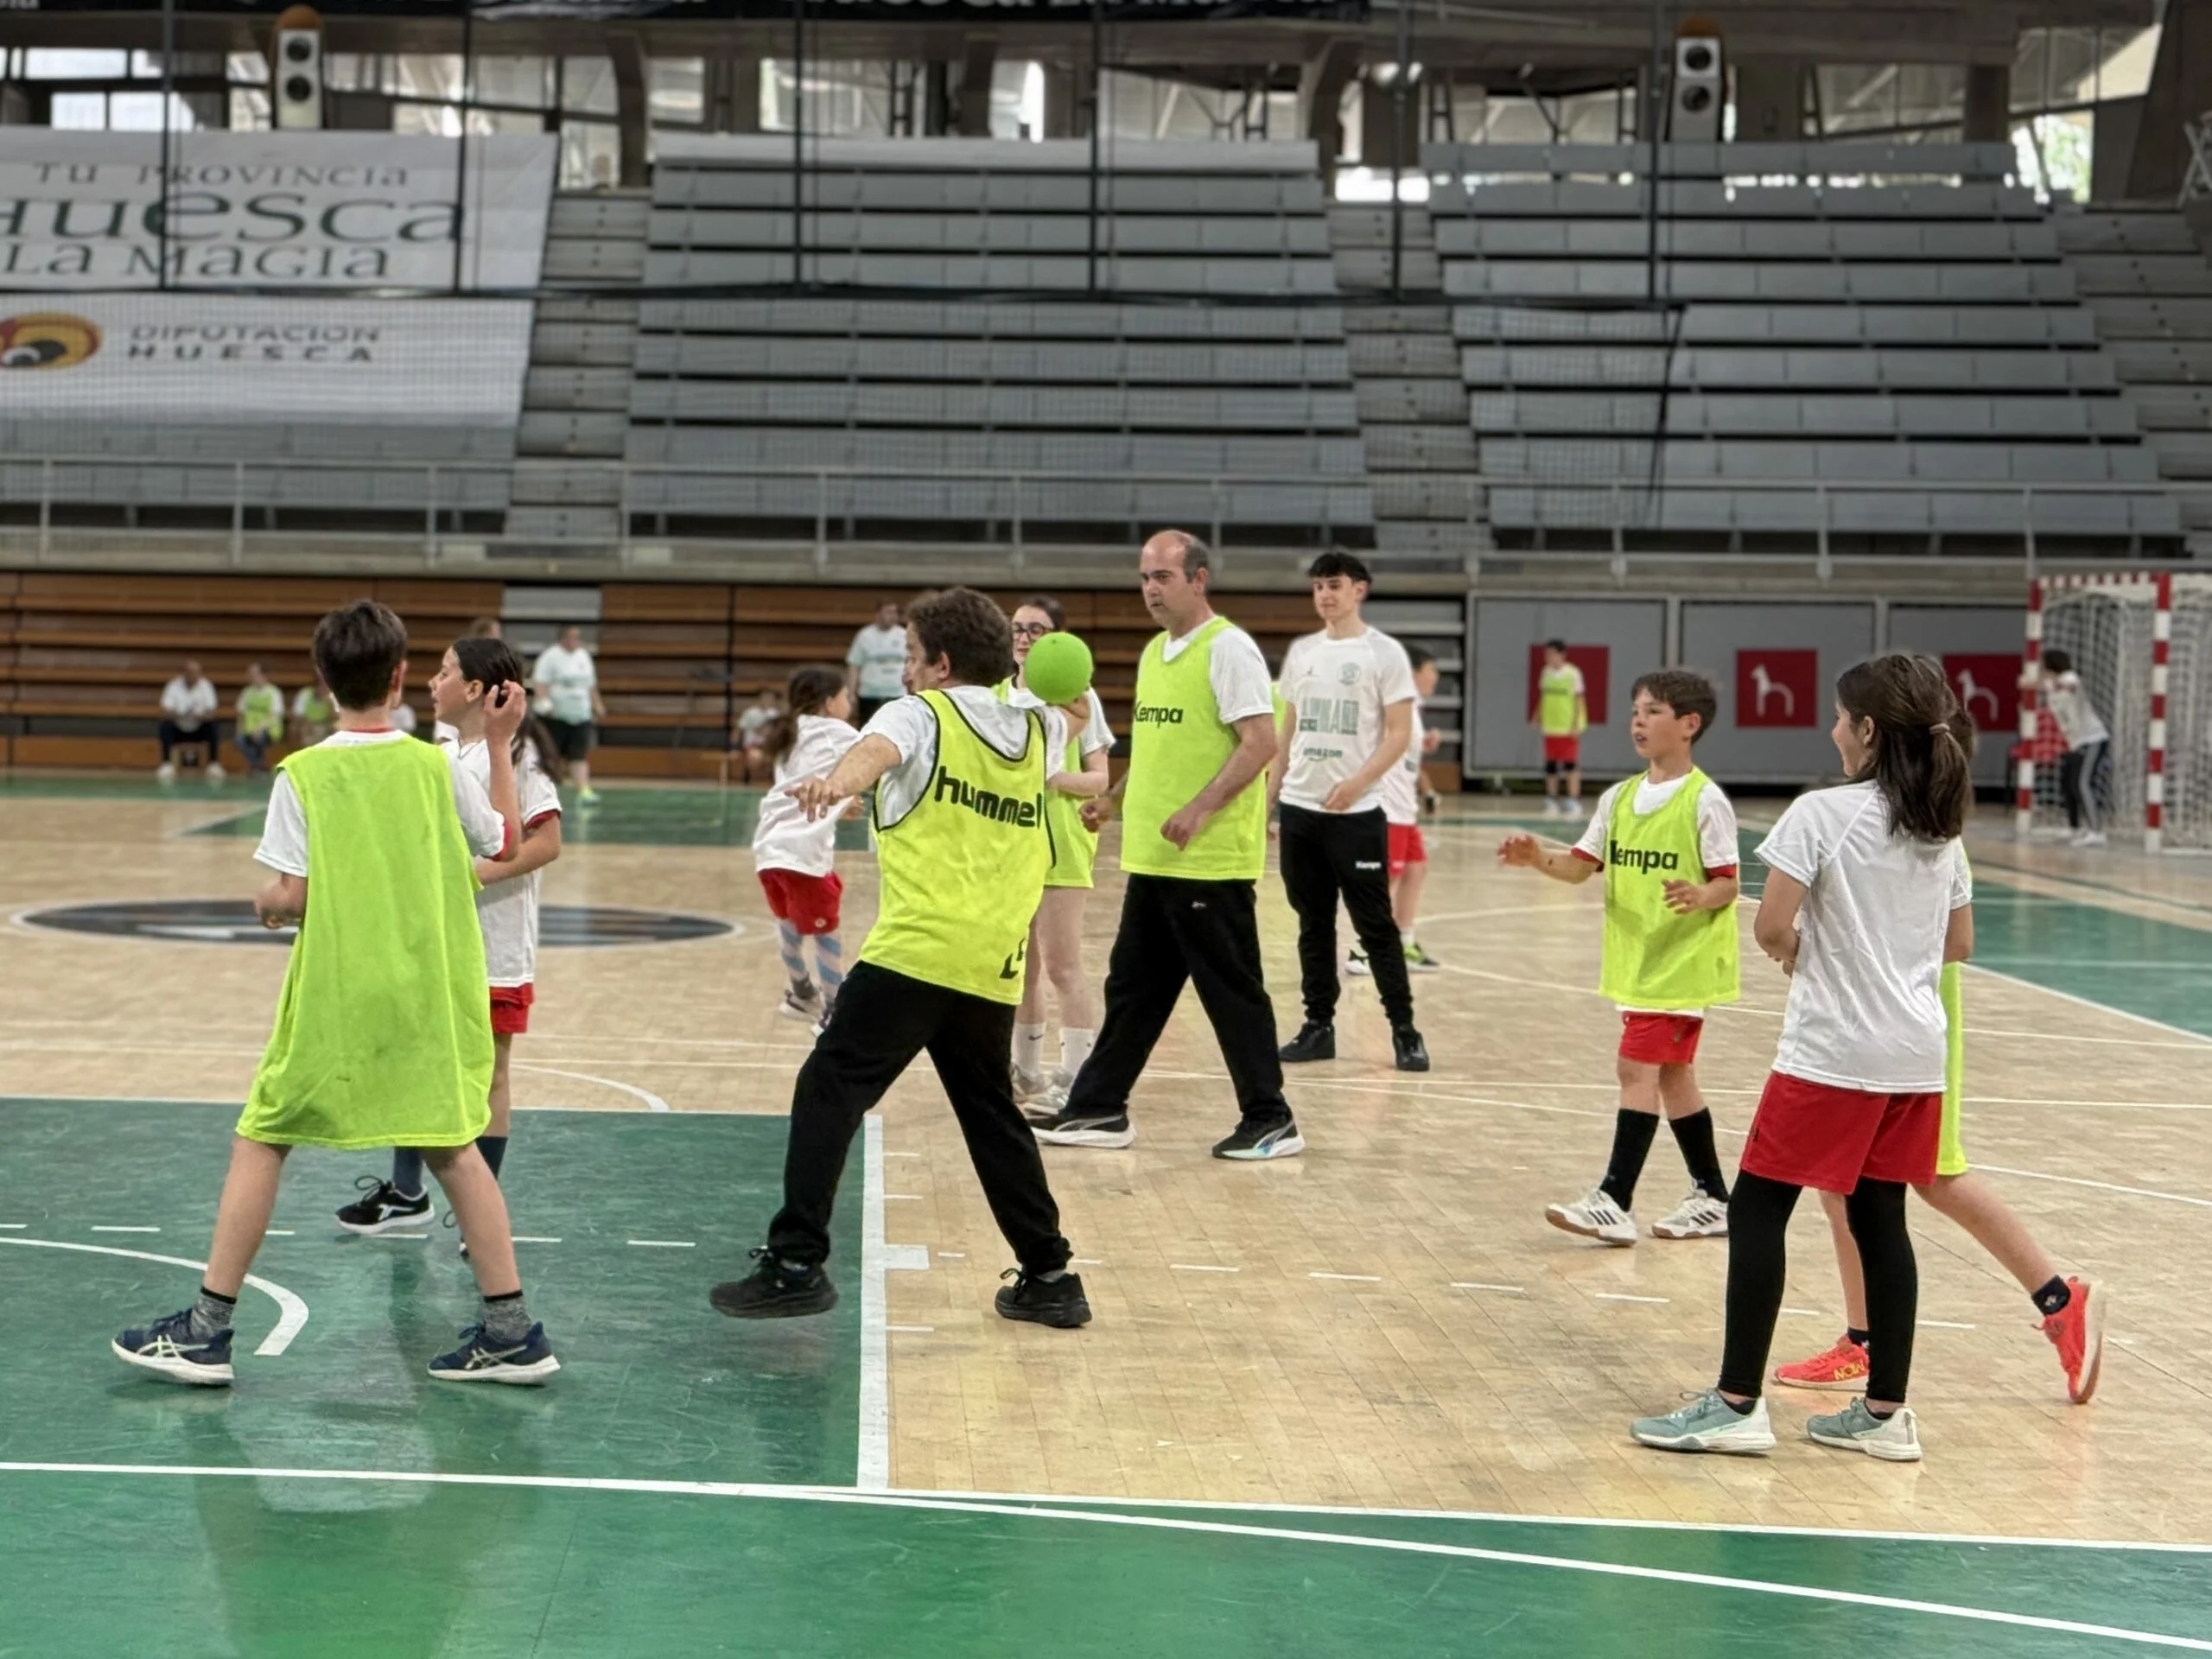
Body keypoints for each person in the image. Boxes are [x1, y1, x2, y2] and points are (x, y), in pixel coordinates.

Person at [113, 600, 559, 1386]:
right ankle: (512, 1329)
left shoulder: (305, 774)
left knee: (262, 1138)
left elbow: (291, 895)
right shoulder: (436, 765)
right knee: (455, 1147)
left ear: (323, 682)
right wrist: (494, 745)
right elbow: (504, 839)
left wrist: (272, 906)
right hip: (427, 993)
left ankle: (208, 1330)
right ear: (397, 677)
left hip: (338, 993)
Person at [710, 588, 1090, 1331]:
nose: (905, 671)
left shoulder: (917, 712)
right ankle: (1050, 1275)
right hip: (991, 963)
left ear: (941, 663)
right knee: (990, 1114)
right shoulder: (1038, 729)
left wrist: (836, 782)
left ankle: (796, 1262)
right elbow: (1057, 720)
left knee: (829, 1086)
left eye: (912, 656)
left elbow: (878, 751)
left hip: (916, 951)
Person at [1631, 652, 1974, 1463]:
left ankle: (1736, 1405)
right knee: (1880, 1219)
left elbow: (1770, 925)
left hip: (1834, 1053)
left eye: (1838, 717)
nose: (1830, 730)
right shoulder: (1940, 826)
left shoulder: (1823, 814)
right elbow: (1958, 943)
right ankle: (1887, 1415)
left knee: (1756, 1211)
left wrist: (1802, 951)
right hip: (1917, 1055)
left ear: (1865, 730)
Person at [1774, 714, 2104, 1403]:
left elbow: (1957, 942)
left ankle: (2056, 1298)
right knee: (1853, 1187)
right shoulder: (1910, 821)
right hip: (1895, 1028)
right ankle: (1865, 1340)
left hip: (1907, 1035)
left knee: (1933, 1177)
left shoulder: (1921, 830)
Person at [1029, 530, 1301, 1160]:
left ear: (1199, 579)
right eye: (1145, 577)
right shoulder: (1157, 653)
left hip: (1207, 864)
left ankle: (1271, 1117)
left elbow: (1260, 743)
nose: (1151, 589)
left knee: (1231, 994)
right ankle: (1099, 1108)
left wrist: (1201, 809)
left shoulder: (1228, 649)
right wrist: (1113, 801)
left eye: (1164, 578)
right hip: (1154, 860)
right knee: (1134, 989)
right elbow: (1154, 752)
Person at [334, 635, 566, 1244]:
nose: (431, 683)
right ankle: (407, 1193)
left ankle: (476, 1214)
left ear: (473, 690)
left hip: (494, 941)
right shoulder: (435, 751)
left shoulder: (519, 757)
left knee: (489, 1074)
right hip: (431, 937)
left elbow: (544, 843)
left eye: (444, 673)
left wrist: (468, 876)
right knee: (413, 1058)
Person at [1498, 670, 1740, 1246]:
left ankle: (1615, 1197)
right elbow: (1581, 867)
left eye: (1653, 711)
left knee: (1635, 1069)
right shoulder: (1619, 798)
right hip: (1639, 964)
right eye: (1635, 710)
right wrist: (1538, 858)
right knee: (1676, 1079)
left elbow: (1728, 884)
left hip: (1680, 964)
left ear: (1689, 725)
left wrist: (1700, 895)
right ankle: (1712, 1196)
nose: (1638, 720)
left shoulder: (1706, 800)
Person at [1270, 552, 1428, 1074]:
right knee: (1313, 925)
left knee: (1375, 928)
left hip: (1357, 814)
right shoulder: (1302, 652)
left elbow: (1399, 733)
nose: (1325, 595)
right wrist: (1272, 801)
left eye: (1334, 585)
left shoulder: (1384, 654)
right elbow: (1287, 731)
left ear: (1359, 589)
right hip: (1300, 810)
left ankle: (1405, 1032)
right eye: (1318, 586)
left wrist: (1358, 781)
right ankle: (1318, 1027)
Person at [1005, 595, 1114, 1103]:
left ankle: (1078, 1079)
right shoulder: (995, 697)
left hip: (1061, 845)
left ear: (1058, 641)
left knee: (1062, 964)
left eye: (1036, 630)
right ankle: (1025, 1072)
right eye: (1018, 629)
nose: (1024, 638)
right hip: (1008, 845)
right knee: (1019, 968)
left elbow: (1100, 779)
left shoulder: (1079, 699)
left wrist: (1052, 779)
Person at [751, 666, 861, 1029]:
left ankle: (800, 992)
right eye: (846, 696)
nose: (851, 702)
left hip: (769, 851)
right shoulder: (838, 732)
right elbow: (876, 759)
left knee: (788, 922)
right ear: (830, 703)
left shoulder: (789, 734)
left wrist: (842, 802)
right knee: (827, 932)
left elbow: (805, 784)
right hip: (801, 853)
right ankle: (834, 1008)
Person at [1386, 644, 1445, 973]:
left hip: (1404, 808)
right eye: (1430, 671)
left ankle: (1404, 943)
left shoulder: (1412, 708)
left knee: (1416, 869)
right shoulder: (1393, 704)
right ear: (1413, 673)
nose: (1435, 677)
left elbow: (1403, 749)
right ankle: (1366, 949)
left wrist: (1424, 744)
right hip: (1387, 807)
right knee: (1385, 879)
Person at [2040, 648, 2110, 848]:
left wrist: (2055, 682)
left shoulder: (2069, 678)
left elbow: (2071, 684)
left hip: (2093, 738)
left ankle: (2097, 831)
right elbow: (2036, 685)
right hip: (2076, 742)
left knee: (2082, 782)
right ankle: (2076, 827)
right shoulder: (2050, 685)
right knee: (2068, 783)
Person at [532, 625, 607, 805]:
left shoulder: (583, 657)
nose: (576, 640)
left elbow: (590, 685)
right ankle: (544, 793)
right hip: (556, 716)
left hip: (580, 714)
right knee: (550, 756)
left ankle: (584, 791)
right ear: (563, 638)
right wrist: (546, 703)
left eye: (578, 637)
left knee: (578, 755)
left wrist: (597, 706)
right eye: (573, 637)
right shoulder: (550, 656)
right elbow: (540, 683)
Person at [1535, 639, 1587, 819]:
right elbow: (1543, 696)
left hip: (1567, 727)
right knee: (1551, 765)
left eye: (1551, 654)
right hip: (1550, 727)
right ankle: (1551, 798)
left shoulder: (1573, 674)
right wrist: (1537, 715)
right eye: (1546, 654)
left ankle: (1573, 800)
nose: (1548, 658)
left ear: (1561, 655)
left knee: (1570, 765)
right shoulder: (1546, 673)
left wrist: (1576, 723)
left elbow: (1579, 701)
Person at [157, 659, 224, 783]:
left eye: (196, 673)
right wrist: (179, 714)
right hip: (179, 727)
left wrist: (199, 715)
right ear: (184, 673)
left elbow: (212, 712)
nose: (193, 676)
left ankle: (213, 764)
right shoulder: (173, 686)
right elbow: (166, 711)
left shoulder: (206, 686)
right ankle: (166, 764)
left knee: (213, 725)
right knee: (165, 725)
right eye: (190, 673)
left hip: (198, 727)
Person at [846, 600, 910, 728]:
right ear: (878, 614)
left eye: (895, 612)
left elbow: (912, 663)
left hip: (897, 693)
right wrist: (851, 693)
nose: (892, 616)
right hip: (870, 694)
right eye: (888, 612)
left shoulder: (904, 635)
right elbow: (854, 666)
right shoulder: (864, 635)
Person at [233, 664, 284, 777]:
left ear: (263, 676)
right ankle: (261, 766)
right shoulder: (246, 693)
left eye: (254, 674)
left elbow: (274, 717)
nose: (250, 677)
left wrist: (259, 729)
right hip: (249, 731)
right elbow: (241, 716)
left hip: (269, 730)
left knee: (259, 740)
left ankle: (256, 767)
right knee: (239, 741)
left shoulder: (274, 693)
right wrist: (239, 732)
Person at [734, 685, 785, 784]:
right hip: (752, 746)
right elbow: (738, 731)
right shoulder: (750, 713)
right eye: (766, 698)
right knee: (756, 756)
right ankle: (747, 778)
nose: (768, 700)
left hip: (769, 746)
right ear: (760, 699)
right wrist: (735, 747)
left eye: (771, 698)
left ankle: (775, 778)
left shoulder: (774, 713)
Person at [290, 677, 333, 749]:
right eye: (321, 686)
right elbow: (299, 715)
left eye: (326, 687)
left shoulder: (330, 697)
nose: (323, 689)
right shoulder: (305, 694)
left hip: (325, 725)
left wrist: (329, 704)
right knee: (304, 732)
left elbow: (334, 718)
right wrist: (307, 725)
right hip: (308, 724)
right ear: (316, 686)